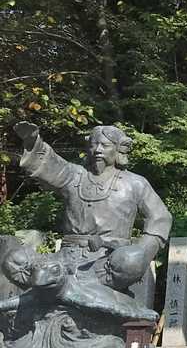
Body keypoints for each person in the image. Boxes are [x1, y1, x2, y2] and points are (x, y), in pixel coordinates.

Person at [12, 121, 171, 291]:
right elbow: (53, 165)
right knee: (14, 259)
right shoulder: (75, 175)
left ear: (118, 149)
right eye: (94, 145)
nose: (98, 150)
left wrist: (140, 253)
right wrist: (33, 142)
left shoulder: (136, 183)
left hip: (108, 262)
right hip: (65, 258)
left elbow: (160, 218)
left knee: (129, 263)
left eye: (105, 145)